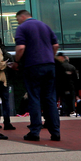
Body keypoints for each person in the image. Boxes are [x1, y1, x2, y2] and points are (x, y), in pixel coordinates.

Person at [14, 10, 61, 142]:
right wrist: (50, 57)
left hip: (32, 65)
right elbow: (55, 45)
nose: (18, 22)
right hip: (49, 65)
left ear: (22, 17)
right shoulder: (45, 26)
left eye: (18, 19)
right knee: (50, 98)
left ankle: (35, 132)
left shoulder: (22, 28)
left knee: (34, 98)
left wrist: (17, 61)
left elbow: (21, 48)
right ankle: (55, 132)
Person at [55, 52, 77, 118]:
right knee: (70, 99)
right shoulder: (72, 67)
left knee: (62, 100)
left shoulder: (58, 66)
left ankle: (63, 112)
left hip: (59, 86)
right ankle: (72, 111)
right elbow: (75, 78)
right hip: (70, 86)